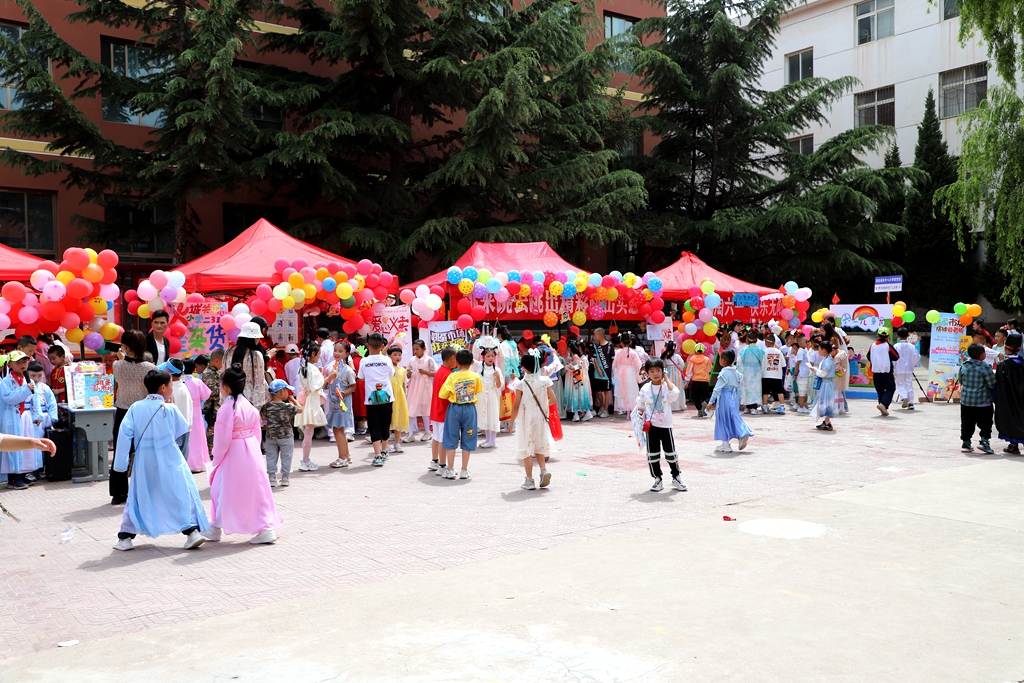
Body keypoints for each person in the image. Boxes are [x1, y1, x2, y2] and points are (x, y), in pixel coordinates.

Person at [111, 369, 210, 551]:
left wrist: (120, 465)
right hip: (170, 456)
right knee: (178, 492)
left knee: (139, 496)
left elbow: (124, 435)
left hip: (144, 460)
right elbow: (182, 431)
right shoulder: (170, 409)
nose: (172, 387)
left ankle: (125, 537)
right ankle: (191, 531)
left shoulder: (136, 407)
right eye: (171, 384)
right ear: (163, 387)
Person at [203, 364, 282, 545]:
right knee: (255, 489)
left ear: (225, 387)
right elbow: (257, 431)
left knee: (224, 489)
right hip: (251, 449)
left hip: (234, 451)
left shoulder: (227, 408)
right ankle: (263, 527)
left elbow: (222, 439)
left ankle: (217, 527)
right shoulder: (248, 405)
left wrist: (217, 456)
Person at [110, 331, 157, 504]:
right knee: (145, 452)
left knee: (120, 452)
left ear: (125, 346)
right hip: (144, 413)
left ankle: (119, 493)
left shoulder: (118, 366)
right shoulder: (150, 369)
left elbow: (124, 363)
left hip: (123, 413)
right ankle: (145, 490)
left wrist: (121, 355)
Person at [636, 358, 686, 493]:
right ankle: (657, 478)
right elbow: (640, 404)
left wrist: (666, 379)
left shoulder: (666, 387)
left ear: (663, 371)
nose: (656, 373)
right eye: (652, 371)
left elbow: (675, 394)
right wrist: (639, 413)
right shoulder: (645, 388)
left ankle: (676, 476)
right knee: (652, 454)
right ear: (647, 373)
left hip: (665, 426)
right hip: (650, 426)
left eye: (658, 370)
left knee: (671, 453)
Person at [509, 353, 554, 490]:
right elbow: (552, 399)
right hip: (540, 419)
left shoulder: (521, 384)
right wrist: (543, 408)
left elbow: (516, 405)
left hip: (526, 420)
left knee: (527, 449)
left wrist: (511, 423)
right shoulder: (545, 380)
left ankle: (529, 481)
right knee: (539, 446)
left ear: (523, 367)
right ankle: (543, 470)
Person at [438, 349, 483, 480]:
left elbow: (442, 394)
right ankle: (464, 470)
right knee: (468, 437)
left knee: (451, 437)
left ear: (456, 362)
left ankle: (450, 469)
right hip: (469, 409)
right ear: (472, 362)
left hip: (454, 409)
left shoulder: (452, 376)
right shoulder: (475, 376)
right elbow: (478, 390)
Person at [1, 352, 40, 489]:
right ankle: (13, 477)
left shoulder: (27, 380)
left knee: (27, 445)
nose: (23, 365)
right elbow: (9, 398)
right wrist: (25, 390)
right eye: (18, 362)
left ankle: (24, 473)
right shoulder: (5, 382)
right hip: (13, 416)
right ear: (10, 364)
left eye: (25, 361)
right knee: (14, 445)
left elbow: (35, 398)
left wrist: (38, 415)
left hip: (27, 416)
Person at [358, 332, 395, 467]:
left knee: (374, 426)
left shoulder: (364, 361)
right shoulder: (387, 360)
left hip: (371, 399)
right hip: (387, 397)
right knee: (386, 424)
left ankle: (377, 455)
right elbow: (392, 373)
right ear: (382, 346)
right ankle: (384, 451)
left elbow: (360, 377)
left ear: (368, 346)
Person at [707, 349, 753, 453]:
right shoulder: (736, 372)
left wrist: (711, 402)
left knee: (723, 419)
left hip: (725, 397)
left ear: (722, 360)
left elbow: (717, 388)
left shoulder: (724, 373)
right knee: (733, 416)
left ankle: (727, 443)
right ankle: (737, 436)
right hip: (734, 397)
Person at [294, 339, 328, 470]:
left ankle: (305, 460)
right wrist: (328, 377)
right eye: (318, 354)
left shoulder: (302, 367)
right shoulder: (312, 368)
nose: (319, 357)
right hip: (311, 402)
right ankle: (305, 460)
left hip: (304, 400)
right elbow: (317, 385)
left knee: (309, 431)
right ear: (313, 353)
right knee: (309, 432)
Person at [957, 343, 996, 454]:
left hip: (966, 401)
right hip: (983, 402)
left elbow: (960, 380)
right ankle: (984, 441)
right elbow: (992, 383)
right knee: (986, 422)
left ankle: (966, 442)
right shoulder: (985, 367)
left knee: (966, 422)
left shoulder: (964, 365)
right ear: (982, 355)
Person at [262, 378, 299, 485]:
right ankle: (285, 478)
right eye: (287, 390)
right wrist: (293, 399)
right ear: (282, 392)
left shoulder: (267, 406)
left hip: (271, 436)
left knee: (271, 456)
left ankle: (272, 478)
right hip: (286, 436)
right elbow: (300, 409)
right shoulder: (288, 406)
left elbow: (263, 416)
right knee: (286, 456)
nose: (288, 393)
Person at [325, 342, 356, 467]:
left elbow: (353, 386)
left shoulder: (348, 370)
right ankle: (346, 455)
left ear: (347, 354)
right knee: (338, 429)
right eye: (335, 350)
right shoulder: (331, 368)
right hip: (333, 403)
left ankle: (342, 457)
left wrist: (344, 393)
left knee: (338, 429)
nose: (337, 353)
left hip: (343, 404)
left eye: (340, 351)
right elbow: (326, 385)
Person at [160, 359, 194, 465]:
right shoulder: (184, 386)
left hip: (175, 430)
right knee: (182, 462)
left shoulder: (170, 390)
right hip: (186, 428)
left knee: (174, 463)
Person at [994, 333, 1024, 455]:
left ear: (1006, 348)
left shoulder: (1003, 366)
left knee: (1011, 419)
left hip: (1009, 399)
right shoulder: (1022, 364)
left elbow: (1000, 385)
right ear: (1020, 349)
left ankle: (1013, 445)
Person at [27, 361, 57, 481]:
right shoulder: (26, 387)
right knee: (33, 444)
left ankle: (41, 469)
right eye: (33, 375)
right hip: (31, 419)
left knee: (44, 444)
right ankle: (32, 469)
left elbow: (52, 403)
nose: (36, 378)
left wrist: (53, 418)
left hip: (44, 418)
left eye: (39, 375)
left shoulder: (45, 387)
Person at [429, 347, 458, 473]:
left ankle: (434, 461)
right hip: (444, 411)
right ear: (452, 358)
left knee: (436, 437)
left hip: (436, 409)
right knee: (442, 439)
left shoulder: (440, 371)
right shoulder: (449, 375)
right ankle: (442, 465)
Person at [180, 358, 211, 472]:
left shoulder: (179, 381)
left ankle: (186, 461)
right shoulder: (197, 381)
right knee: (197, 438)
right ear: (193, 369)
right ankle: (198, 463)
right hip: (196, 413)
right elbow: (206, 394)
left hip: (182, 411)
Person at [472, 339, 504, 447]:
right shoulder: (479, 367)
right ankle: (488, 439)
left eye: (492, 356)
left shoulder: (497, 370)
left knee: (492, 416)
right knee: (485, 416)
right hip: (481, 395)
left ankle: (492, 440)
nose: (490, 358)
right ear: (483, 357)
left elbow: (499, 386)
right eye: (488, 356)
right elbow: (470, 359)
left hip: (491, 395)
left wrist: (497, 377)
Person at [232, 322, 270, 410]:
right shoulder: (255, 355)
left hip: (232, 394)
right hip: (250, 395)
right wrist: (261, 403)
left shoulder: (228, 352)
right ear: (255, 338)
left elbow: (224, 375)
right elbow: (259, 381)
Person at [405, 339, 437, 442]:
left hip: (425, 386)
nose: (415, 351)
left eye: (417, 349)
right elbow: (408, 371)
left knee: (425, 409)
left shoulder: (429, 360)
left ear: (423, 349)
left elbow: (436, 373)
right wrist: (408, 374)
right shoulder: (412, 360)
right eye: (414, 349)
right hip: (414, 386)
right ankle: (411, 434)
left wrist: (425, 372)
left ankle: (427, 432)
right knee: (412, 409)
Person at [867, 329, 900, 416]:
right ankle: (884, 404)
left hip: (876, 371)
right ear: (888, 336)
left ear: (878, 335)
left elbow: (868, 356)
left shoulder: (873, 346)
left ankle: (883, 406)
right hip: (886, 371)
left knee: (880, 389)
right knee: (890, 388)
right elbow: (896, 356)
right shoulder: (888, 346)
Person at [809, 341, 837, 431]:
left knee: (826, 401)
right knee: (825, 401)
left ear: (824, 350)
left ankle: (827, 422)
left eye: (820, 349)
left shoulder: (828, 360)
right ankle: (826, 421)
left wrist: (814, 370)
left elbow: (823, 373)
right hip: (826, 383)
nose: (818, 351)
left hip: (827, 383)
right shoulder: (826, 359)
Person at [612, 333, 642, 415]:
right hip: (630, 373)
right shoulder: (633, 353)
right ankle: (630, 410)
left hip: (620, 373)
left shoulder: (618, 352)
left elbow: (614, 365)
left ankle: (624, 409)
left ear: (621, 343)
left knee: (623, 391)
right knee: (631, 391)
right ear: (630, 342)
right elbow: (638, 365)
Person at [564, 340, 594, 421]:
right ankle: (583, 413)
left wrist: (572, 368)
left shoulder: (576, 357)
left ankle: (577, 414)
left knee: (576, 396)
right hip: (576, 378)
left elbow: (580, 366)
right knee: (579, 396)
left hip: (576, 378)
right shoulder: (574, 357)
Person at [738, 331, 764, 414]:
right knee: (755, 389)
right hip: (757, 372)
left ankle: (746, 407)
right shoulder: (760, 350)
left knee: (746, 388)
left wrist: (740, 373)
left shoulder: (743, 351)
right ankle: (754, 408)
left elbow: (739, 363)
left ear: (748, 339)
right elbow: (763, 362)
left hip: (746, 372)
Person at [759, 333, 787, 414]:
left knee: (765, 392)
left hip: (766, 375)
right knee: (779, 391)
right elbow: (783, 364)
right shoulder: (779, 352)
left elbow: (762, 364)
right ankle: (782, 406)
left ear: (766, 342)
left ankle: (765, 407)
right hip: (777, 375)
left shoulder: (764, 352)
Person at [893, 327, 920, 410]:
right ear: (908, 335)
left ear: (897, 336)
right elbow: (917, 356)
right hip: (909, 368)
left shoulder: (896, 346)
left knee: (900, 384)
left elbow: (893, 358)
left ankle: (904, 396)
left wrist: (893, 368)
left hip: (899, 368)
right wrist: (912, 362)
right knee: (909, 385)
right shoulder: (911, 346)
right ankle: (910, 403)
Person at [591, 327, 614, 417]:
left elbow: (612, 359)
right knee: (599, 391)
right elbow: (595, 358)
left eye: (595, 335)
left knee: (606, 391)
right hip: (598, 372)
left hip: (607, 372)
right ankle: (601, 406)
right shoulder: (596, 346)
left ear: (601, 335)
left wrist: (608, 369)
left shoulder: (610, 345)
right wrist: (598, 369)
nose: (594, 337)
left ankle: (606, 409)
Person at [684, 344, 713, 417]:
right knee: (706, 396)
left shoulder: (692, 360)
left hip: (696, 381)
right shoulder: (706, 359)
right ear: (703, 351)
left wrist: (687, 381)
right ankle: (705, 402)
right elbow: (709, 369)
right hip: (705, 381)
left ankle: (699, 409)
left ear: (695, 350)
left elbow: (689, 371)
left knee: (696, 397)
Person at [659, 342, 685, 412]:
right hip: (677, 374)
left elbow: (663, 366)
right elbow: (682, 365)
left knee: (669, 389)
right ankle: (679, 405)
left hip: (668, 373)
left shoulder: (664, 356)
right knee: (678, 389)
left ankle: (671, 405)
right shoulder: (677, 356)